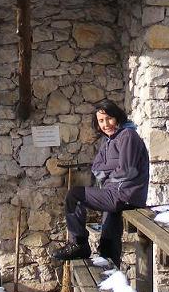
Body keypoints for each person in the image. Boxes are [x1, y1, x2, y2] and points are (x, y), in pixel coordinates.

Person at [52, 99, 149, 264]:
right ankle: (111, 273)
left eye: (109, 118)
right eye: (101, 121)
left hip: (125, 193)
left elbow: (128, 170)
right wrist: (112, 169)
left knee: (74, 195)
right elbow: (96, 167)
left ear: (117, 117)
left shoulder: (128, 136)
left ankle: (79, 243)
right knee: (108, 239)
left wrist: (109, 171)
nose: (106, 124)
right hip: (114, 192)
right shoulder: (108, 141)